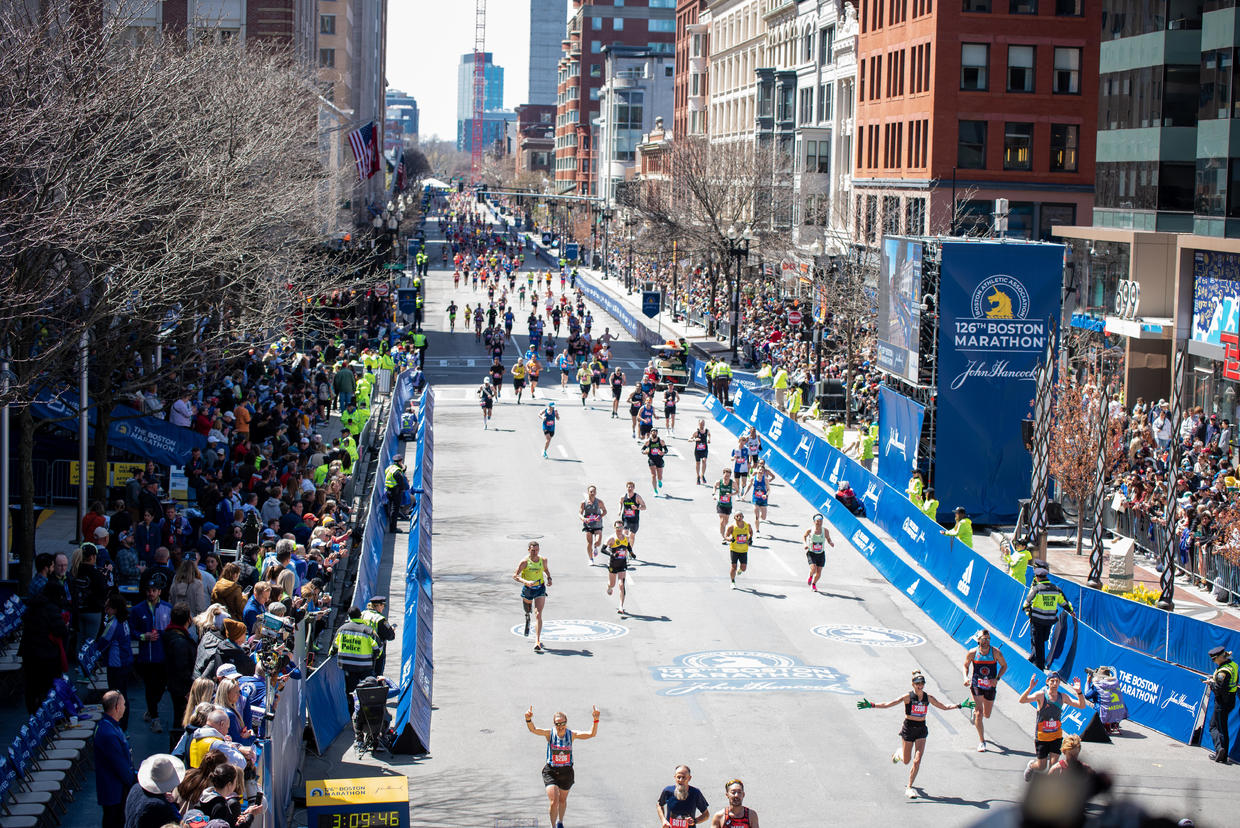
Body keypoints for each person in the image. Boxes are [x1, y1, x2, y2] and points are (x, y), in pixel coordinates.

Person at [856, 670, 972, 799]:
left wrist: (960, 705)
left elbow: (943, 707)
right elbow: (889, 704)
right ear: (913, 684)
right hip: (909, 728)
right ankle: (899, 753)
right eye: (917, 683)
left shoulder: (928, 697)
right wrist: (872, 705)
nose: (920, 685)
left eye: (922, 683)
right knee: (906, 761)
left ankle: (909, 787)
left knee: (917, 760)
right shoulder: (907, 697)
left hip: (921, 730)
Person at [524, 705, 600, 828]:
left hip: (566, 772)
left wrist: (596, 719)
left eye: (562, 723)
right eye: (557, 724)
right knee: (554, 801)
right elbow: (534, 730)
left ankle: (560, 822)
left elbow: (591, 734)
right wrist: (528, 719)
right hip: (551, 771)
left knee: (562, 800)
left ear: (566, 722)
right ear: (554, 724)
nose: (560, 726)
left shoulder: (571, 734)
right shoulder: (550, 734)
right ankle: (553, 825)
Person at [1019, 671, 1086, 781]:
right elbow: (1022, 700)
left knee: (1054, 766)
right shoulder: (1041, 695)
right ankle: (1031, 766)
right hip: (1042, 737)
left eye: (1057, 681)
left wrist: (1079, 692)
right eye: (1052, 681)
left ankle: (1048, 787)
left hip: (1056, 736)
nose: (1054, 684)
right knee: (1041, 766)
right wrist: (1030, 688)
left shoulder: (1062, 697)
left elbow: (1081, 705)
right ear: (1047, 682)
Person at [130, 584, 172, 734]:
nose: (151, 593)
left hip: (163, 656)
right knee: (149, 686)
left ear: (159, 591)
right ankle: (155, 718)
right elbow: (132, 630)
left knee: (161, 686)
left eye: (154, 590)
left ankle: (151, 708)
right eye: (148, 590)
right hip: (146, 657)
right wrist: (143, 636)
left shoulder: (168, 608)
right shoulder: (137, 610)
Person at [97, 690, 137, 828]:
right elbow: (119, 764)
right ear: (117, 707)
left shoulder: (111, 726)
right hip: (114, 791)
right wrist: (134, 780)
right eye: (124, 704)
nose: (125, 707)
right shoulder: (108, 733)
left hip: (116, 788)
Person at [962, 629, 1008, 752]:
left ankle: (975, 710)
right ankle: (982, 741)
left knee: (987, 715)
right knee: (979, 713)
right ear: (978, 640)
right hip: (977, 684)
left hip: (990, 687)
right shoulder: (972, 653)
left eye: (988, 639)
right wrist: (966, 677)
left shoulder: (996, 653)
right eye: (984, 638)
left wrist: (997, 679)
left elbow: (1004, 666)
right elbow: (965, 666)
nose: (986, 641)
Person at [1023, 567, 1074, 670]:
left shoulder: (1037, 589)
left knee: (1038, 643)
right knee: (1042, 641)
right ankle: (1034, 659)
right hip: (1049, 622)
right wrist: (1071, 611)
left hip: (1037, 621)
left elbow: (1027, 603)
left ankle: (1039, 667)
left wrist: (1027, 611)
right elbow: (1064, 603)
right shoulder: (1056, 589)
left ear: (1037, 578)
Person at [124, 754, 185, 828]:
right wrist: (170, 804)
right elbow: (178, 823)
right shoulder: (159, 806)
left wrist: (162, 797)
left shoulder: (135, 788)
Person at [331, 607, 382, 693]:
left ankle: (351, 705)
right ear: (360, 616)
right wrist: (375, 657)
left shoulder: (342, 629)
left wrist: (332, 654)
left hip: (347, 667)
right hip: (365, 667)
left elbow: (334, 647)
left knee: (350, 691)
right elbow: (378, 648)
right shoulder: (368, 630)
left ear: (349, 616)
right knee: (369, 689)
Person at [514, 541, 553, 653]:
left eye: (537, 550)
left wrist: (549, 578)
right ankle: (527, 616)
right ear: (528, 550)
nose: (535, 552)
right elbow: (515, 576)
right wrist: (526, 581)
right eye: (532, 550)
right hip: (528, 589)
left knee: (538, 614)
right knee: (528, 609)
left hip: (540, 588)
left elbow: (546, 570)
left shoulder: (543, 560)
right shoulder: (525, 562)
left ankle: (537, 641)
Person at [1207, 645, 1238, 763]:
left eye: (1214, 659)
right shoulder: (1233, 665)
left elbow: (1220, 689)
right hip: (1231, 700)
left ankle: (1221, 751)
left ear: (1220, 657)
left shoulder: (1223, 672)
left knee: (1219, 728)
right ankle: (1221, 751)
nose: (1214, 662)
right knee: (1215, 725)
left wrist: (1210, 683)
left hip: (1222, 702)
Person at [1082, 665, 1128, 736]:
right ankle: (1111, 723)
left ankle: (1103, 723)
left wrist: (1088, 682)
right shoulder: (1115, 683)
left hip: (1104, 712)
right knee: (1108, 702)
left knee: (1085, 702)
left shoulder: (1098, 685)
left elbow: (1087, 696)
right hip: (1119, 712)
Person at [359, 596, 397, 677]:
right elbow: (390, 636)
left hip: (361, 649)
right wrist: (392, 630)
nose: (383, 607)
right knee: (377, 676)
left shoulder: (362, 614)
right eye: (383, 605)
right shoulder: (380, 619)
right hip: (375, 652)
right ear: (378, 605)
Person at [603, 521, 631, 616]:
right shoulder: (611, 538)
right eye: (617, 528)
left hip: (622, 564)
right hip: (613, 564)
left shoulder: (626, 538)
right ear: (614, 528)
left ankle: (621, 606)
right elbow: (602, 549)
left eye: (620, 528)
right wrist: (611, 554)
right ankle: (609, 587)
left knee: (621, 585)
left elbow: (628, 547)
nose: (619, 530)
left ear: (623, 528)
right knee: (612, 584)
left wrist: (631, 554)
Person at [801, 513, 834, 592]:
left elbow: (828, 538)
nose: (819, 523)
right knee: (813, 569)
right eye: (817, 521)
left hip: (821, 554)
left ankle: (813, 584)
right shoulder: (810, 530)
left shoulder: (825, 531)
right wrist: (805, 544)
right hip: (811, 553)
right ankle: (810, 576)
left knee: (819, 572)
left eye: (821, 521)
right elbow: (804, 536)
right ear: (814, 522)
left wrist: (830, 543)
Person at [618, 481, 647, 557]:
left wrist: (637, 507)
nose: (630, 488)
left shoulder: (637, 497)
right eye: (628, 487)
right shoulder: (623, 497)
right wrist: (619, 510)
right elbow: (620, 502)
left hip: (635, 520)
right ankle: (625, 552)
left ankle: (630, 551)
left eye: (631, 487)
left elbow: (644, 507)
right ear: (626, 487)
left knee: (632, 536)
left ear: (634, 488)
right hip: (626, 519)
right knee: (625, 534)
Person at [726, 511, 753, 590]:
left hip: (744, 550)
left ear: (743, 517)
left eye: (741, 516)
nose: (739, 517)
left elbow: (751, 533)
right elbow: (726, 536)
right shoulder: (732, 526)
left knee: (744, 568)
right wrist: (730, 539)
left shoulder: (747, 525)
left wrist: (750, 539)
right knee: (733, 567)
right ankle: (733, 582)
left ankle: (740, 570)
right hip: (734, 549)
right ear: (734, 517)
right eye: (737, 516)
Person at [579, 486, 606, 563]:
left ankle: (595, 546)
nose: (592, 493)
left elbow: (604, 511)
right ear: (588, 493)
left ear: (596, 492)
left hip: (597, 525)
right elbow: (580, 513)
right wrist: (583, 519)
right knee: (589, 543)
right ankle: (591, 559)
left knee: (598, 542)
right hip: (588, 525)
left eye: (594, 491)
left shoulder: (599, 502)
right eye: (591, 492)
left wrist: (600, 516)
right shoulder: (583, 503)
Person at [749, 461, 773, 536]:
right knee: (757, 516)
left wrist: (766, 495)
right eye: (759, 470)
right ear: (757, 471)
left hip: (763, 500)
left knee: (763, 517)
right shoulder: (753, 478)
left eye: (762, 471)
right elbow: (749, 486)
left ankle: (760, 517)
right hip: (755, 498)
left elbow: (769, 490)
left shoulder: (765, 479)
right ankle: (757, 531)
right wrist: (744, 494)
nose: (760, 472)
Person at [643, 427, 669, 495]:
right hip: (651, 459)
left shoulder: (661, 441)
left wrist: (663, 453)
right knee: (653, 475)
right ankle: (655, 490)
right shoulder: (648, 442)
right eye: (653, 431)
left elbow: (666, 450)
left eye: (655, 432)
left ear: (657, 433)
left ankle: (659, 480)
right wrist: (645, 452)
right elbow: (642, 450)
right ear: (651, 433)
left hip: (659, 459)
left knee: (659, 476)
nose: (654, 433)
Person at [713, 469, 735, 540]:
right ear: (723, 475)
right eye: (725, 476)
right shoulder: (719, 482)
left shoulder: (732, 483)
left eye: (728, 476)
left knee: (726, 521)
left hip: (728, 505)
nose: (726, 477)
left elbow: (737, 491)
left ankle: (723, 530)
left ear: (730, 476)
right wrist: (714, 494)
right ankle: (723, 536)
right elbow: (714, 486)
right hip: (721, 504)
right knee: (722, 520)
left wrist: (731, 494)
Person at [691, 420, 711, 485]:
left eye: (703, 424)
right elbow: (690, 439)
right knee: (698, 463)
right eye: (701, 424)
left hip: (704, 449)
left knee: (704, 461)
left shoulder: (706, 431)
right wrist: (695, 439)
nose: (702, 425)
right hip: (697, 450)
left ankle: (702, 475)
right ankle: (698, 476)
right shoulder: (696, 432)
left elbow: (709, 435)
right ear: (698, 424)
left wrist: (709, 439)